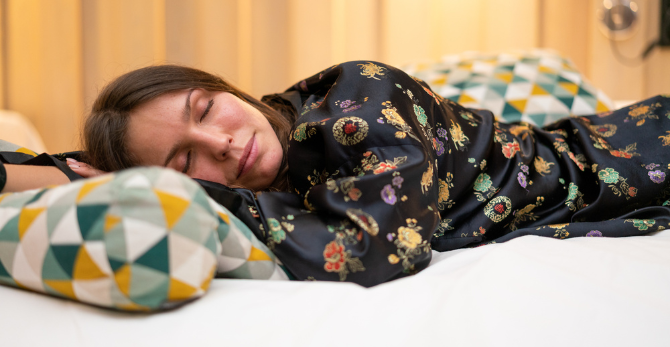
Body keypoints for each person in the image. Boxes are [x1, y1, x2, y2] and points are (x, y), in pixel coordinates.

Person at [2, 61, 669, 287]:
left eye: (207, 108)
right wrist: (61, 175)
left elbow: (382, 251)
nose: (221, 143)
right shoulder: (270, 170)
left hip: (627, 157)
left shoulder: (356, 102)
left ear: (224, 87)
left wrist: (190, 185)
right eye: (184, 161)